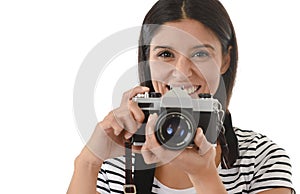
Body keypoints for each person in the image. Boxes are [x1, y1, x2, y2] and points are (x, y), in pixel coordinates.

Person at [67, 0, 295, 193]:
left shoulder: (261, 158)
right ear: (148, 60)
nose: (182, 71)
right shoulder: (118, 162)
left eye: (200, 53)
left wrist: (204, 176)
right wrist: (88, 162)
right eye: (165, 54)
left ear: (225, 60)